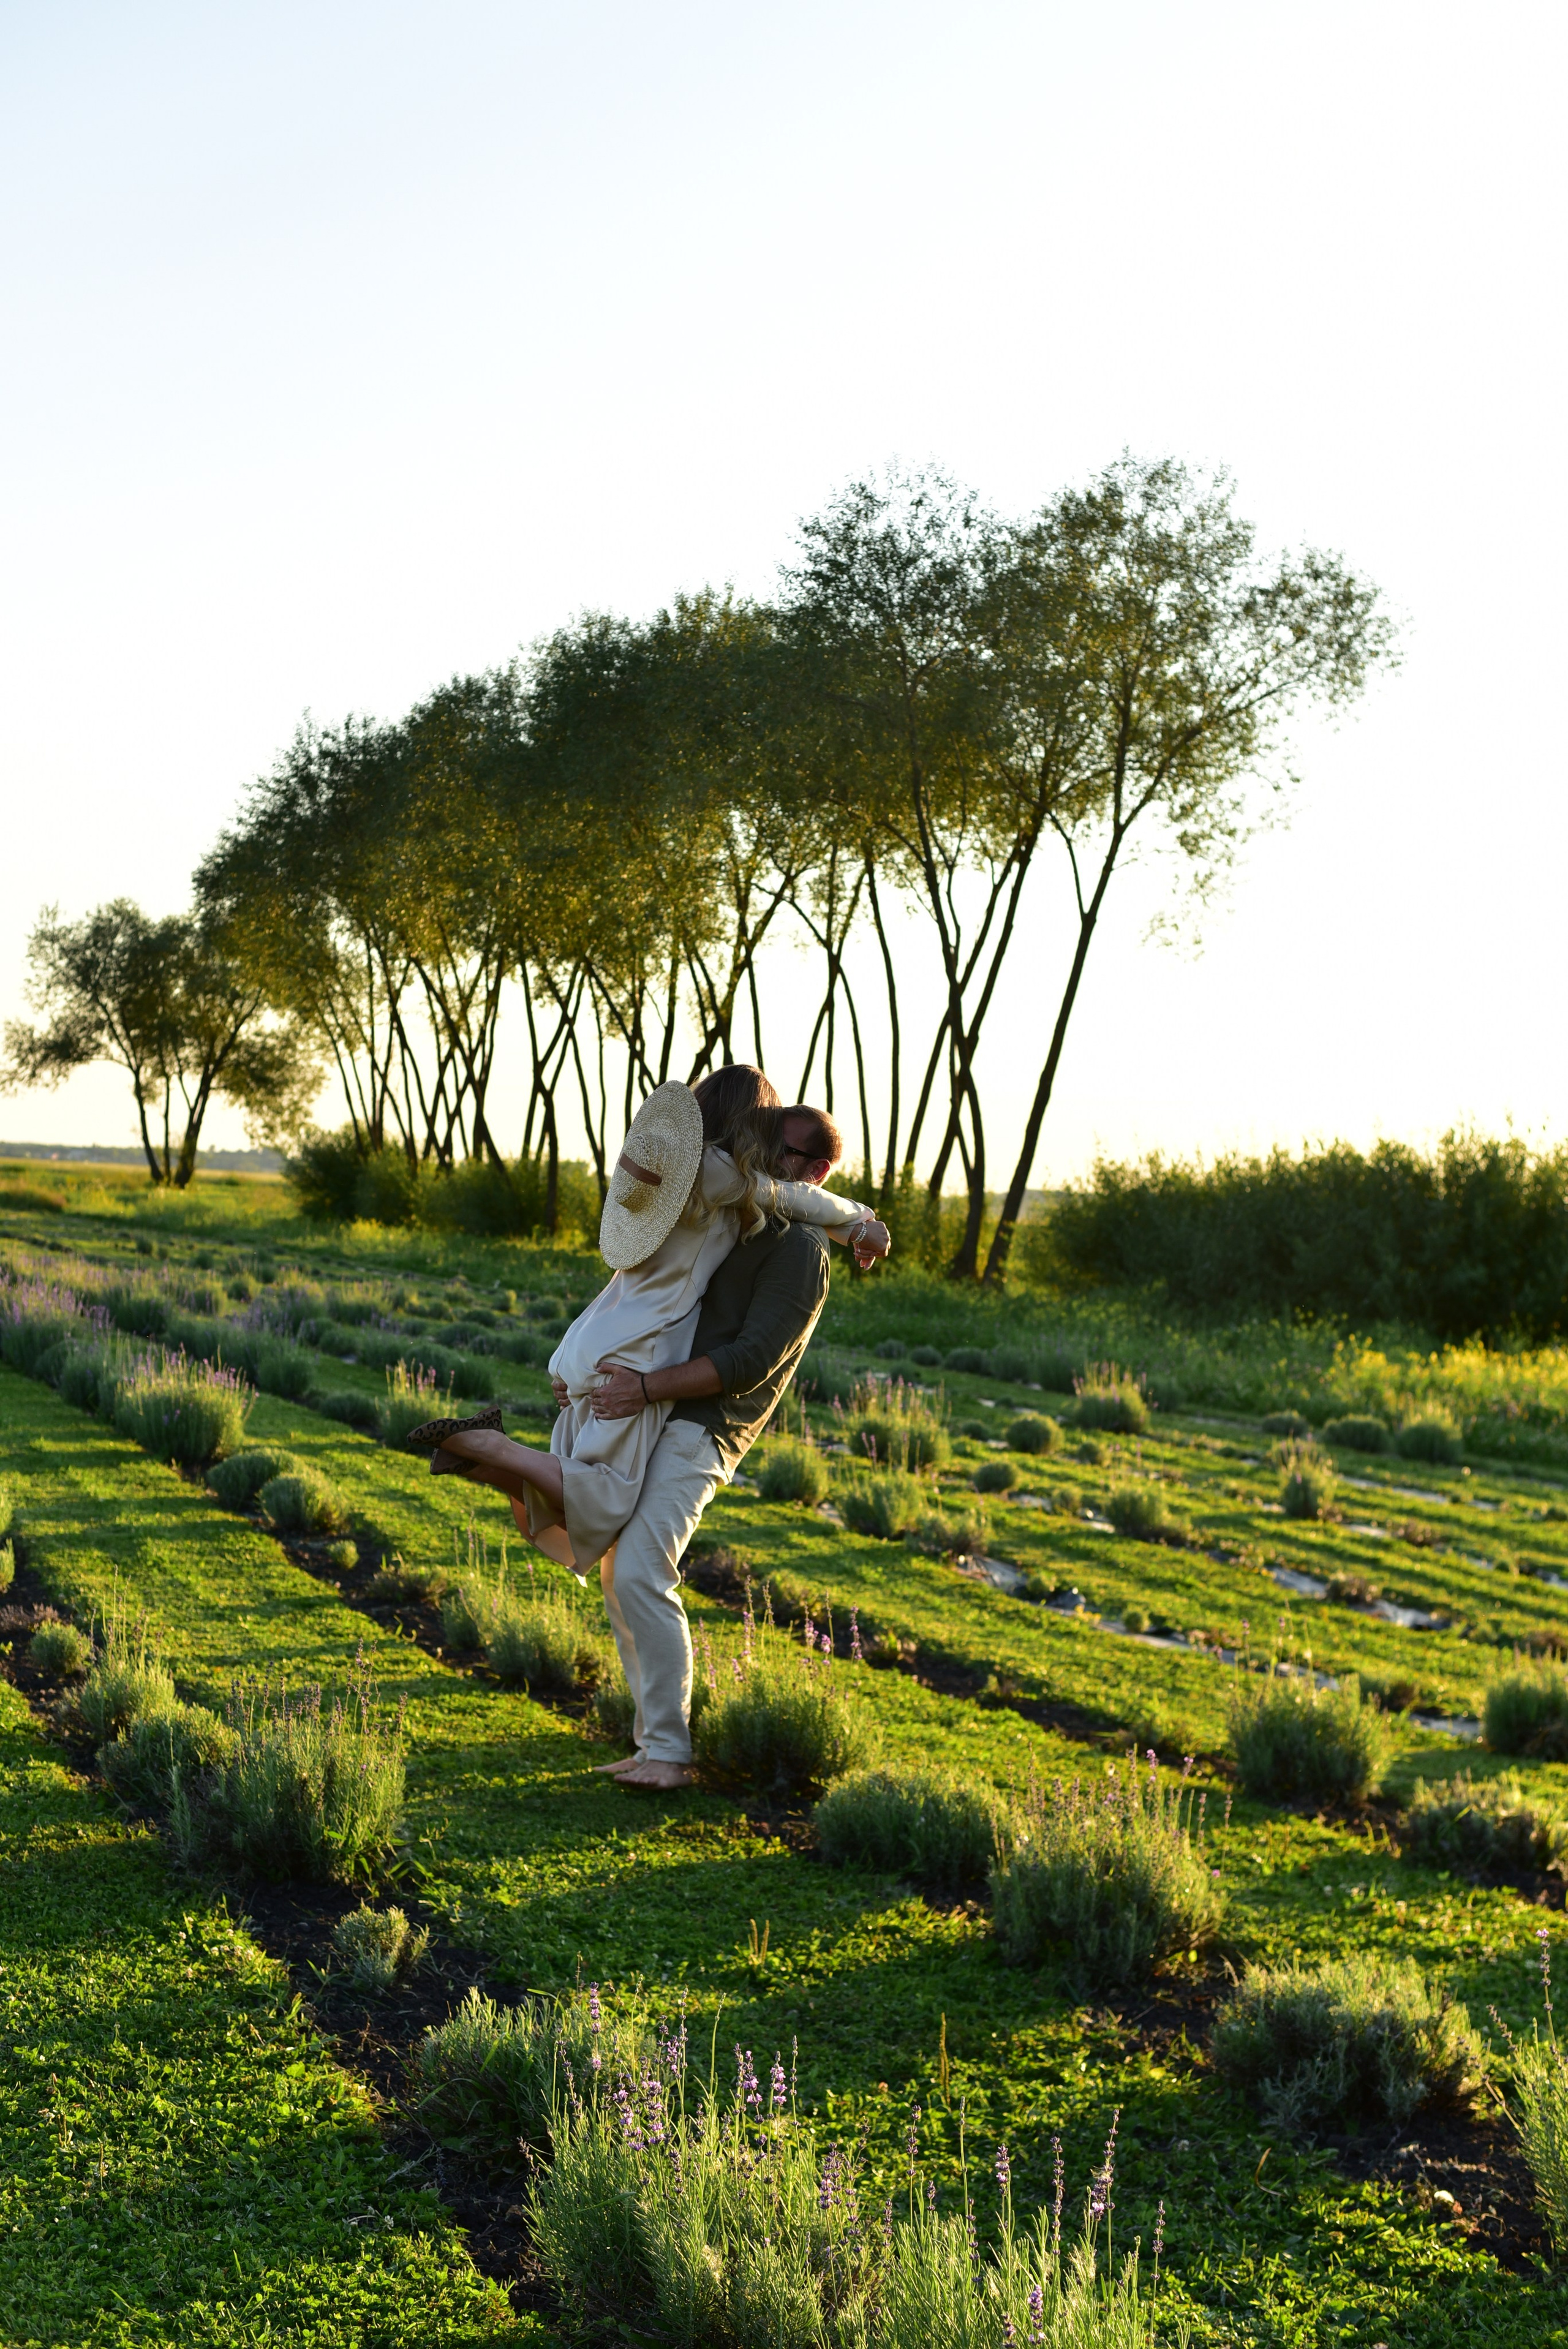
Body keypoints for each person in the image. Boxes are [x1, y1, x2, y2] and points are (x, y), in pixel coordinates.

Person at [424, 1071, 889, 1789]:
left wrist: (855, 1222)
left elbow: (749, 1360)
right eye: (775, 1141)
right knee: (620, 1567)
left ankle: (667, 1753)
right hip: (658, 1397)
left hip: (707, 1423)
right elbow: (682, 1263)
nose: (782, 1161)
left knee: (637, 1566)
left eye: (794, 1151)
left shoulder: (796, 1249)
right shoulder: (735, 1204)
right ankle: (653, 1746)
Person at [420, 1069, 881, 1575]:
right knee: (609, 1499)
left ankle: (486, 1461)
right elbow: (805, 1199)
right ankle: (493, 1448)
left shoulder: (663, 1169)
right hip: (639, 1347)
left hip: (593, 1335)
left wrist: (572, 1360)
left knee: (578, 1487)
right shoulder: (726, 1179)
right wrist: (865, 1223)